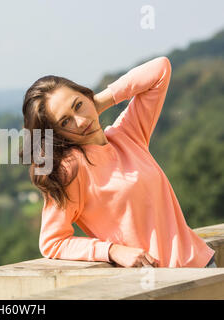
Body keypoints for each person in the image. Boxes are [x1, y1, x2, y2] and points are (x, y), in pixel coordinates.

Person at [21, 56, 215, 268]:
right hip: (159, 283)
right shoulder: (71, 169)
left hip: (203, 266)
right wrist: (111, 250)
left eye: (78, 105)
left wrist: (99, 103)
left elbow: (160, 69)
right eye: (65, 121)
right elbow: (52, 242)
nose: (81, 121)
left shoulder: (127, 134)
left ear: (88, 97)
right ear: (56, 134)